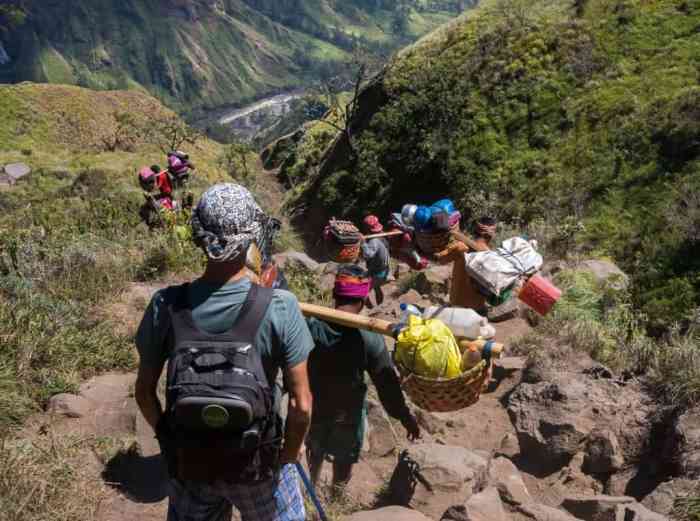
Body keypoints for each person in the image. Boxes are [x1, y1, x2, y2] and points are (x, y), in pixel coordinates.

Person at [134, 183, 314, 521]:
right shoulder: (280, 306)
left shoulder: (165, 304)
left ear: (199, 236)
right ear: (250, 238)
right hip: (259, 466)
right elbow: (301, 406)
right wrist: (287, 458)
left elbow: (144, 393)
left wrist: (169, 442)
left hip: (191, 463)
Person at [305, 265, 420, 493]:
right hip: (347, 413)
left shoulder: (311, 326)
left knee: (314, 450)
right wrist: (404, 416)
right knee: (344, 458)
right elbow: (387, 385)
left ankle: (310, 490)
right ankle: (337, 496)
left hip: (313, 406)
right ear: (365, 298)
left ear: (334, 295)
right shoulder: (369, 338)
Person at [449, 216, 498, 315]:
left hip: (454, 302)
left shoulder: (461, 246)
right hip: (474, 309)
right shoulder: (489, 256)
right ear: (491, 235)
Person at [360, 215, 391, 307]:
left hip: (379, 272)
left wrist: (363, 243)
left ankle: (372, 309)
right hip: (381, 268)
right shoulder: (382, 234)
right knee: (376, 287)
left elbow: (368, 255)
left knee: (363, 290)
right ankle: (379, 306)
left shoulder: (374, 240)